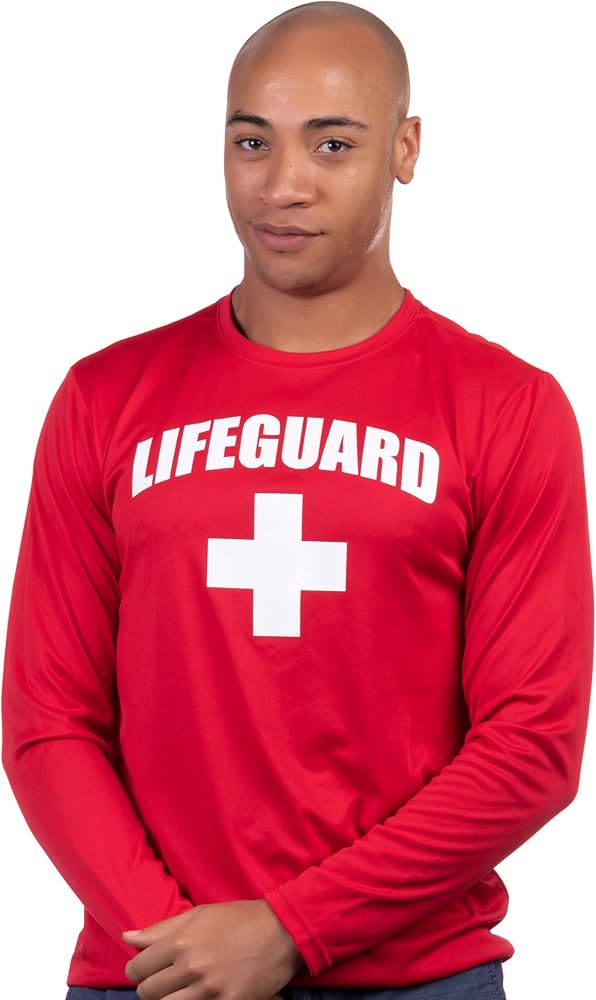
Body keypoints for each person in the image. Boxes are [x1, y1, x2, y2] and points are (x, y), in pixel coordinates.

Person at [1, 2, 593, 999]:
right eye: (251, 141)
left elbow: (530, 745)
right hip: (150, 968)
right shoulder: (104, 398)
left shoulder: (506, 407)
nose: (283, 184)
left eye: (332, 144)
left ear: (404, 149)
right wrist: (182, 947)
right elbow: (47, 716)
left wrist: (291, 929)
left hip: (412, 977)